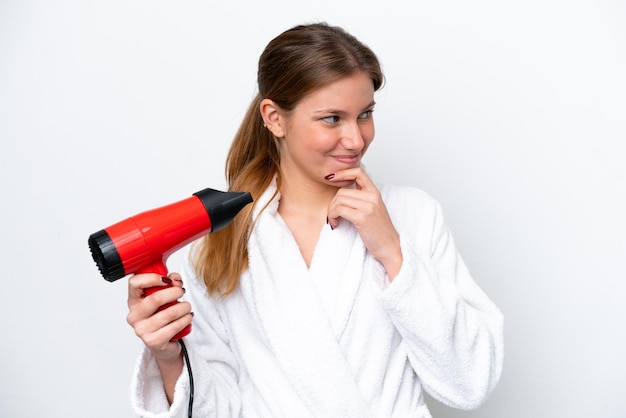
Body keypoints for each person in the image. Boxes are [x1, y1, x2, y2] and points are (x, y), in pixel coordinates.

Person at [125, 22, 504, 418]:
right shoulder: (219, 240)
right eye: (332, 118)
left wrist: (392, 251)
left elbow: (468, 382)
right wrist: (169, 356)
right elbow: (217, 409)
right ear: (274, 118)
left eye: (365, 114)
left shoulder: (414, 215)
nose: (356, 139)